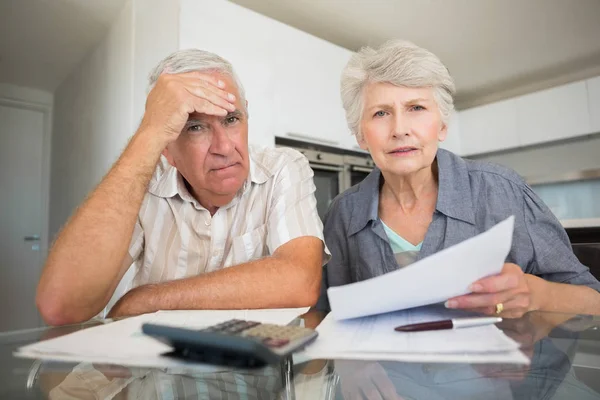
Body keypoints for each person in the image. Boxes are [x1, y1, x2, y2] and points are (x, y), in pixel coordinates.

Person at [36, 49, 327, 326]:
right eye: (195, 127)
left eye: (231, 119)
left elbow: (300, 279)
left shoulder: (282, 167)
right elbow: (61, 305)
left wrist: (150, 298)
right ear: (166, 147)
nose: (224, 147)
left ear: (246, 115)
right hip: (153, 374)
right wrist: (149, 132)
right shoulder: (142, 184)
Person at [320, 39, 600, 318]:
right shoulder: (344, 212)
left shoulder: (502, 190)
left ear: (442, 126)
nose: (400, 129)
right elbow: (327, 315)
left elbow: (593, 299)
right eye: (381, 113)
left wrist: (537, 293)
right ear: (360, 135)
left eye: (416, 108)